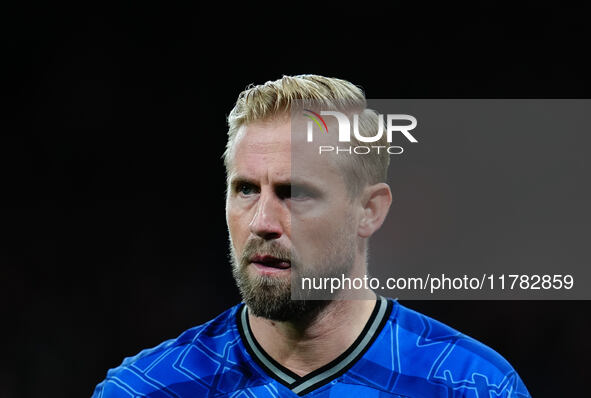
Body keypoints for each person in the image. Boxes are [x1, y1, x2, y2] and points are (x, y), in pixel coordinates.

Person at [91, 75, 531, 397]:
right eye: (245, 189)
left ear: (369, 210)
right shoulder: (146, 389)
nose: (263, 220)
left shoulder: (471, 385)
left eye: (294, 192)